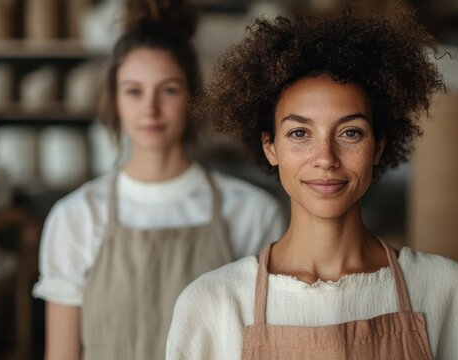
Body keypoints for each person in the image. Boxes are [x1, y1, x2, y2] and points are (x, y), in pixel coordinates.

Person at [166, 3, 458, 360]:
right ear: (270, 147)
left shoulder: (444, 291)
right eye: (299, 133)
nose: (325, 158)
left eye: (350, 132)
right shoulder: (214, 305)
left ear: (378, 147)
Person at [32, 1, 284, 359]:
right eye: (134, 91)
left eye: (167, 90)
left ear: (193, 98)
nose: (149, 108)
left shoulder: (251, 212)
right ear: (115, 101)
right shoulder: (75, 217)